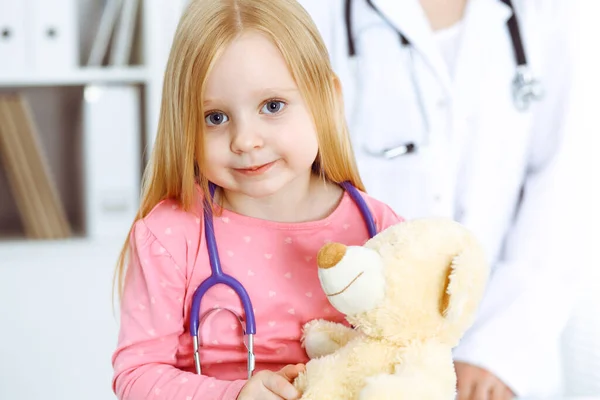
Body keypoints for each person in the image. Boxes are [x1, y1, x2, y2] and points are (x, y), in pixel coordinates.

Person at [110, 0, 403, 399]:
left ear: (328, 98)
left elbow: (418, 351)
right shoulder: (169, 236)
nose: (245, 140)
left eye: (273, 106)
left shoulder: (382, 233)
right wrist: (233, 395)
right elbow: (136, 377)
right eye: (216, 117)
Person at [297, 0, 585, 399]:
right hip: (359, 348)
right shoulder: (313, 12)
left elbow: (564, 189)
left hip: (506, 358)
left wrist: (497, 352)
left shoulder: (545, 16)